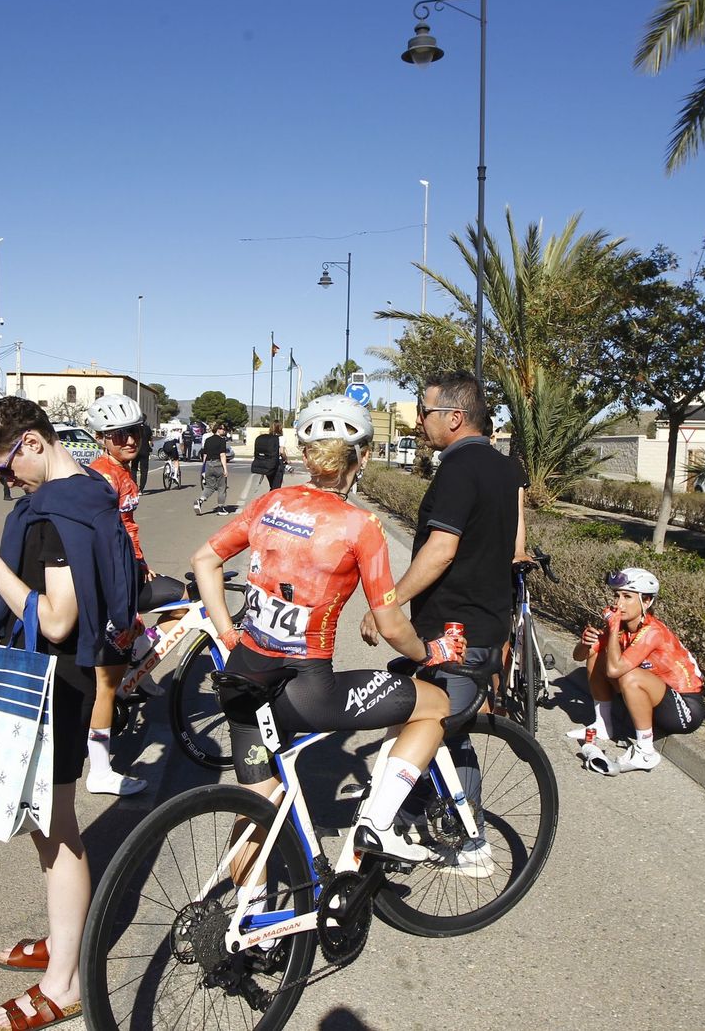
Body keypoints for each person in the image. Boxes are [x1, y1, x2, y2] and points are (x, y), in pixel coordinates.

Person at [0, 396, 138, 1031]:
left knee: (56, 826)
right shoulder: (85, 494)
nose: (5, 482)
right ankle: (63, 939)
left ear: (30, 442)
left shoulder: (56, 515)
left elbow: (55, 617)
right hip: (67, 672)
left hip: (60, 677)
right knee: (51, 825)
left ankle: (64, 981)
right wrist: (2, 571)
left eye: (3, 469)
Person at [191, 395, 467, 864]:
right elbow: (390, 623)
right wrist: (430, 652)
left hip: (240, 680)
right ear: (361, 457)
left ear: (305, 454)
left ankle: (243, 920)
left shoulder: (271, 501)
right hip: (305, 690)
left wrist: (227, 632)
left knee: (257, 806)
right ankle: (378, 826)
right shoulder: (360, 526)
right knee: (436, 703)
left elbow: (205, 560)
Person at [360, 369, 527, 877]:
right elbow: (513, 541)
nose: (419, 422)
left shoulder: (458, 469)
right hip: (482, 622)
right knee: (432, 723)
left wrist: (388, 601)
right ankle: (405, 817)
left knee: (444, 730)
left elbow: (441, 549)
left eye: (425, 412)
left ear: (455, 417)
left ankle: (470, 843)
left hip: (456, 630)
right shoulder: (504, 469)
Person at [84, 394, 188, 794]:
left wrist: (142, 564)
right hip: (112, 587)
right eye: (118, 434)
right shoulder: (101, 477)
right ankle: (99, 771)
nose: (129, 440)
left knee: (183, 600)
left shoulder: (122, 471)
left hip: (131, 575)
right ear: (101, 438)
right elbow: (100, 538)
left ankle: (138, 668)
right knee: (105, 687)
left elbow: (125, 530)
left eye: (135, 432)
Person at [568, 567, 705, 774]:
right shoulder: (622, 627)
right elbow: (579, 656)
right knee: (598, 655)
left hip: (685, 709)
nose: (618, 603)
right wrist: (585, 642)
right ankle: (603, 725)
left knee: (629, 675)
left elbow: (615, 671)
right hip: (656, 700)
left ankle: (645, 752)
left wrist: (612, 628)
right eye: (616, 596)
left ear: (646, 602)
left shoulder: (652, 632)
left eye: (627, 597)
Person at [195, 421, 232, 516]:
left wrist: (204, 467)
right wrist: (225, 469)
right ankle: (220, 508)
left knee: (209, 486)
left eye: (224, 429)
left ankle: (200, 500)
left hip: (208, 464)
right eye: (221, 428)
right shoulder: (222, 441)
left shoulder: (208, 440)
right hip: (218, 464)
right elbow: (222, 455)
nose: (223, 430)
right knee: (221, 487)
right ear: (217, 429)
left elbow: (205, 455)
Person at [251, 420, 287, 490]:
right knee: (276, 487)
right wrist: (286, 459)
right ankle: (272, 500)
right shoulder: (281, 438)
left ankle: (271, 498)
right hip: (278, 463)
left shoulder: (268, 438)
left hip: (268, 463)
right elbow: (281, 452)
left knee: (272, 486)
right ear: (280, 428)